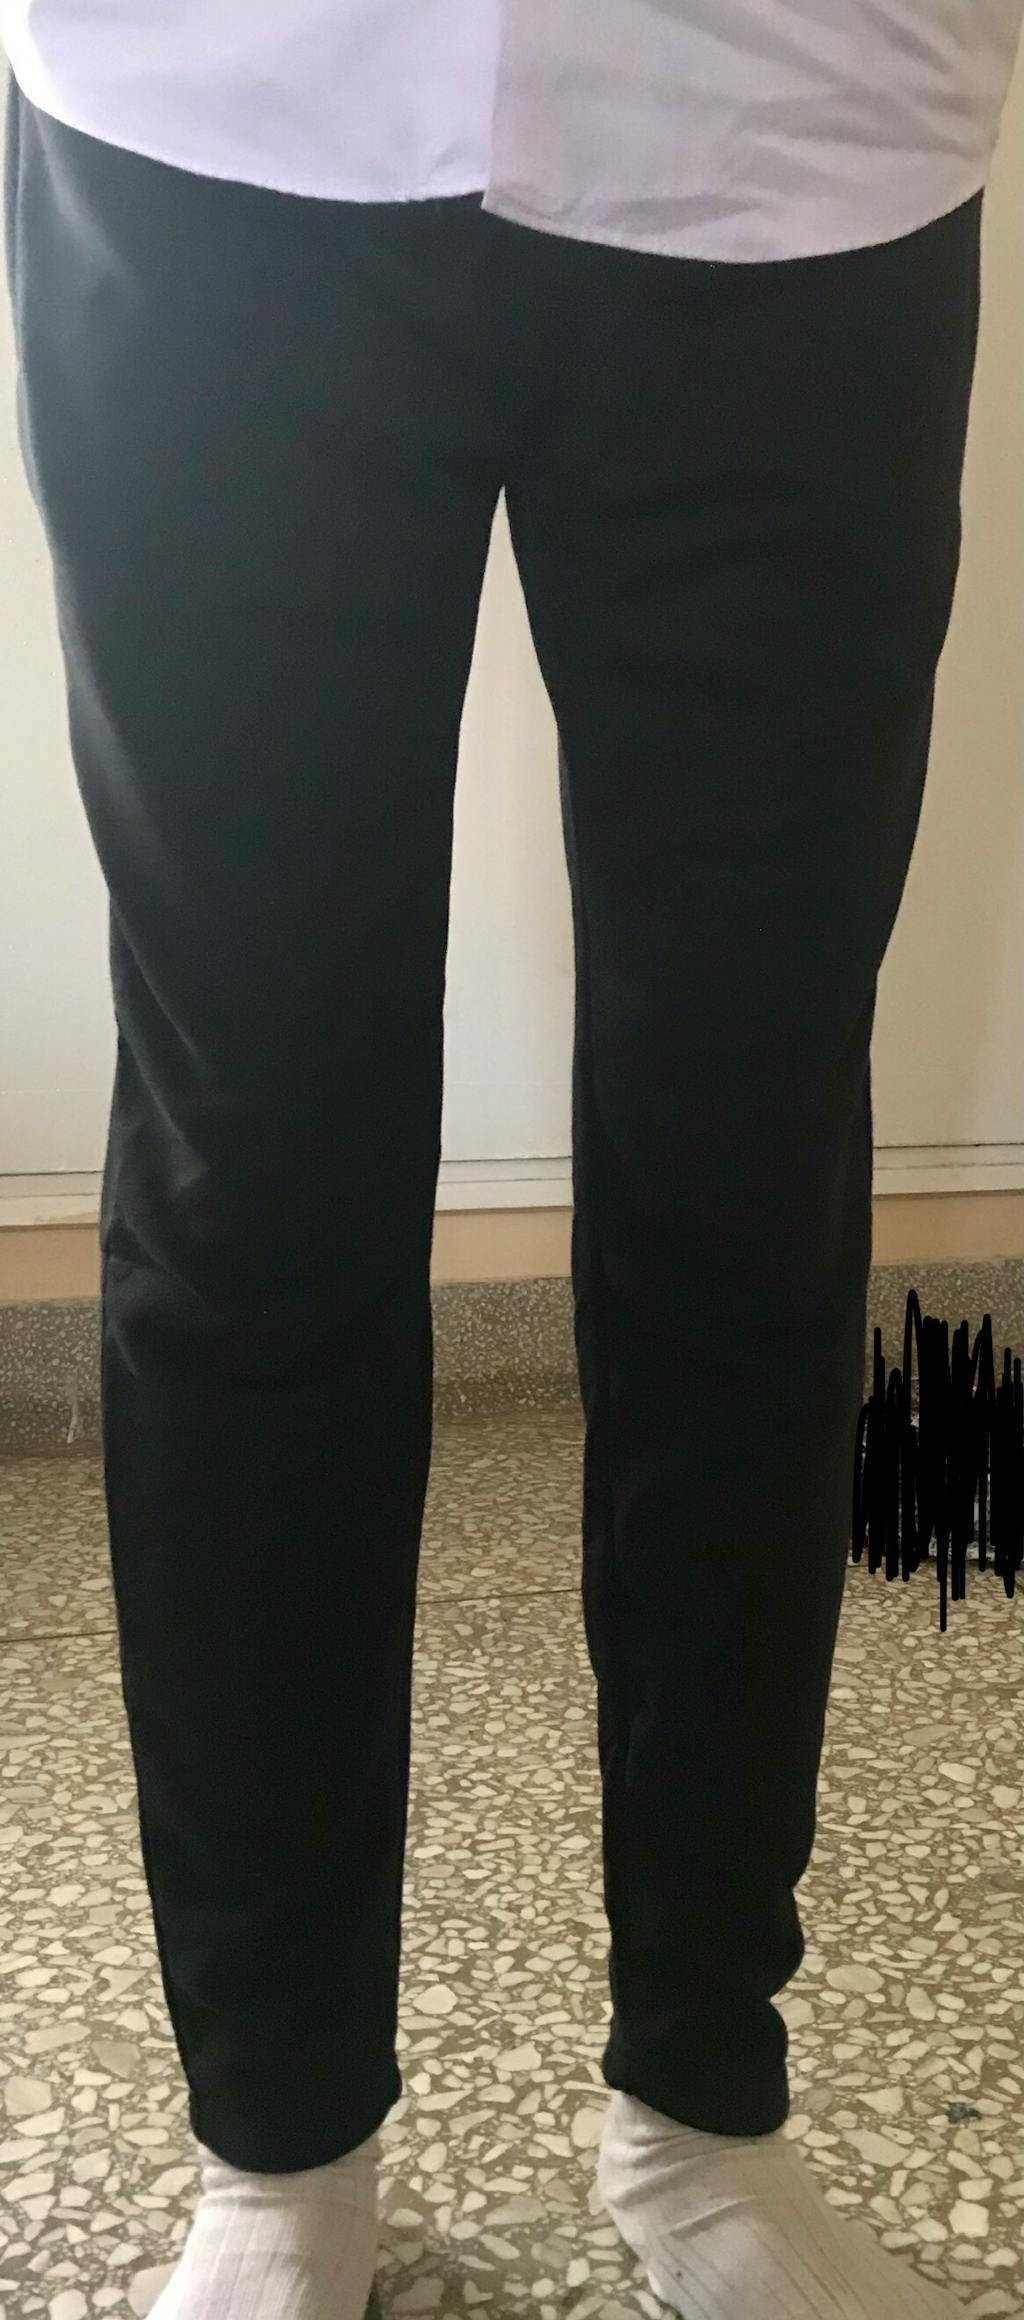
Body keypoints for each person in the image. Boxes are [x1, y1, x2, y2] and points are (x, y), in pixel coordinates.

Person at [3, 7, 1020, 2317]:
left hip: (799, 129)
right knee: (251, 1177)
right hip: (218, 113)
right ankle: (278, 2141)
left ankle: (700, 2099)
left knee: (745, 1161)